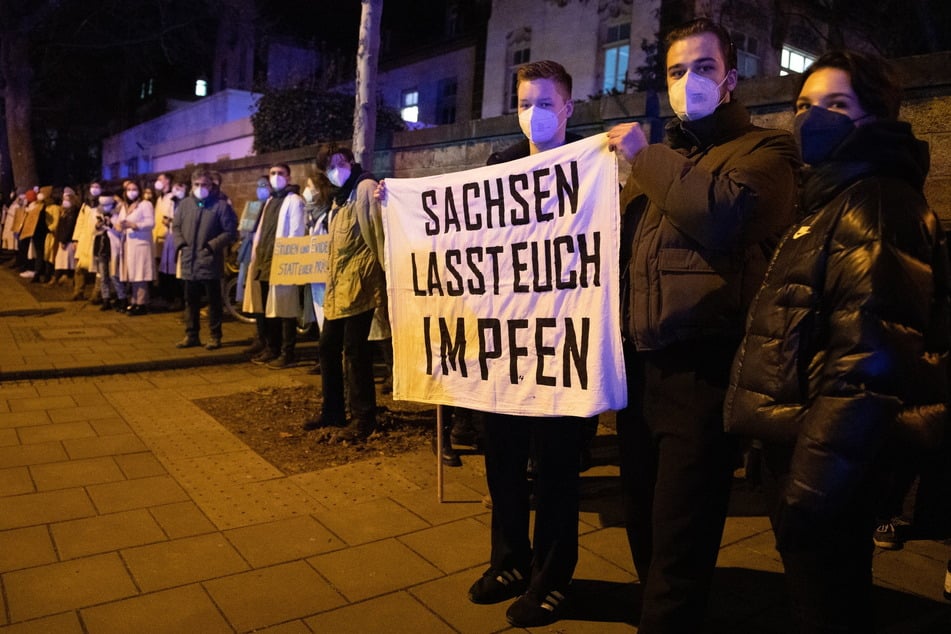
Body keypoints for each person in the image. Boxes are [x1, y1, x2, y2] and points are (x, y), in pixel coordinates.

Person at [724, 49, 950, 632]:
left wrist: (808, 488)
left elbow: (866, 366)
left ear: (875, 117)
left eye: (836, 104)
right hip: (809, 448)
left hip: (826, 465)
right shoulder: (833, 198)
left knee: (828, 607)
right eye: (804, 104)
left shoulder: (874, 204)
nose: (812, 117)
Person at [605, 18, 799, 632]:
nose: (690, 80)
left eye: (704, 68)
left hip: (702, 374)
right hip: (639, 373)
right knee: (643, 520)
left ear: (732, 79)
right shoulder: (660, 166)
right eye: (677, 71)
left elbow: (722, 216)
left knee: (681, 537)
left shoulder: (766, 152)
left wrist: (645, 158)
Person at [301, 148, 384, 441]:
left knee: (355, 350)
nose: (336, 170)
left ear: (350, 162)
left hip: (360, 283)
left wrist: (382, 279)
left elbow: (379, 235)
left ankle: (364, 417)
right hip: (340, 287)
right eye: (329, 167)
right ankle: (333, 410)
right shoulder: (339, 198)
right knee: (327, 346)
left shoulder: (364, 188)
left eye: (340, 163)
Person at [243, 163, 307, 369]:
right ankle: (272, 348)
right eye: (272, 173)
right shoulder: (270, 201)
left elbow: (296, 233)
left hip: (282, 263)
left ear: (289, 178)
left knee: (286, 311)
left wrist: (288, 260)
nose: (276, 177)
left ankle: (287, 353)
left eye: (280, 173)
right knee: (268, 311)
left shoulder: (294, 201)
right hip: (264, 263)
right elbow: (262, 233)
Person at [173, 168, 237, 349]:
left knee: (214, 301)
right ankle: (191, 334)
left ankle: (215, 335)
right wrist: (181, 245)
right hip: (189, 260)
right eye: (197, 185)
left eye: (204, 185)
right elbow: (176, 227)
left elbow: (230, 231)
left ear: (211, 186)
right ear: (192, 186)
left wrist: (212, 246)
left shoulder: (220, 206)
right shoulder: (185, 205)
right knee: (190, 301)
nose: (201, 188)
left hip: (209, 260)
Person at [238, 176, 271, 356]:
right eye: (258, 186)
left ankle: (265, 338)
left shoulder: (272, 205)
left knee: (262, 300)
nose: (261, 189)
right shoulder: (253, 206)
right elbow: (243, 230)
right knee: (254, 299)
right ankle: (260, 336)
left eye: (264, 185)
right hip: (250, 255)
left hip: (263, 257)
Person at [117, 181, 155, 315]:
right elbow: (120, 221)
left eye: (134, 189)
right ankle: (134, 301)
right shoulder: (125, 206)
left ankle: (142, 302)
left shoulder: (145, 205)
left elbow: (151, 223)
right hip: (128, 243)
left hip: (140, 243)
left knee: (140, 274)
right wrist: (119, 225)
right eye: (128, 189)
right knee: (132, 274)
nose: (131, 192)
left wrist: (135, 225)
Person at [92, 192, 127, 311]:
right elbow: (94, 230)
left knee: (114, 275)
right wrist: (98, 226)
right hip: (101, 248)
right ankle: (105, 299)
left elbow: (119, 231)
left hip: (113, 247)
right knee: (103, 276)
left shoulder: (117, 214)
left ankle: (122, 298)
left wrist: (110, 224)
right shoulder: (98, 213)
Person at [72, 182, 103, 302]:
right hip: (84, 240)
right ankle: (78, 291)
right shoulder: (85, 206)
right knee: (79, 267)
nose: (95, 189)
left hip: (97, 239)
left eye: (97, 187)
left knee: (98, 268)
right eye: (93, 187)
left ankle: (97, 293)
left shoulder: (104, 205)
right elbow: (80, 222)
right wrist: (76, 239)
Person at [49, 187, 79, 285]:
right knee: (63, 260)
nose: (64, 202)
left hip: (68, 241)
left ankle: (59, 277)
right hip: (64, 239)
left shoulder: (72, 212)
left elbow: (69, 227)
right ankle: (63, 276)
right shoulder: (66, 211)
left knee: (64, 260)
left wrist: (63, 240)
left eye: (67, 200)